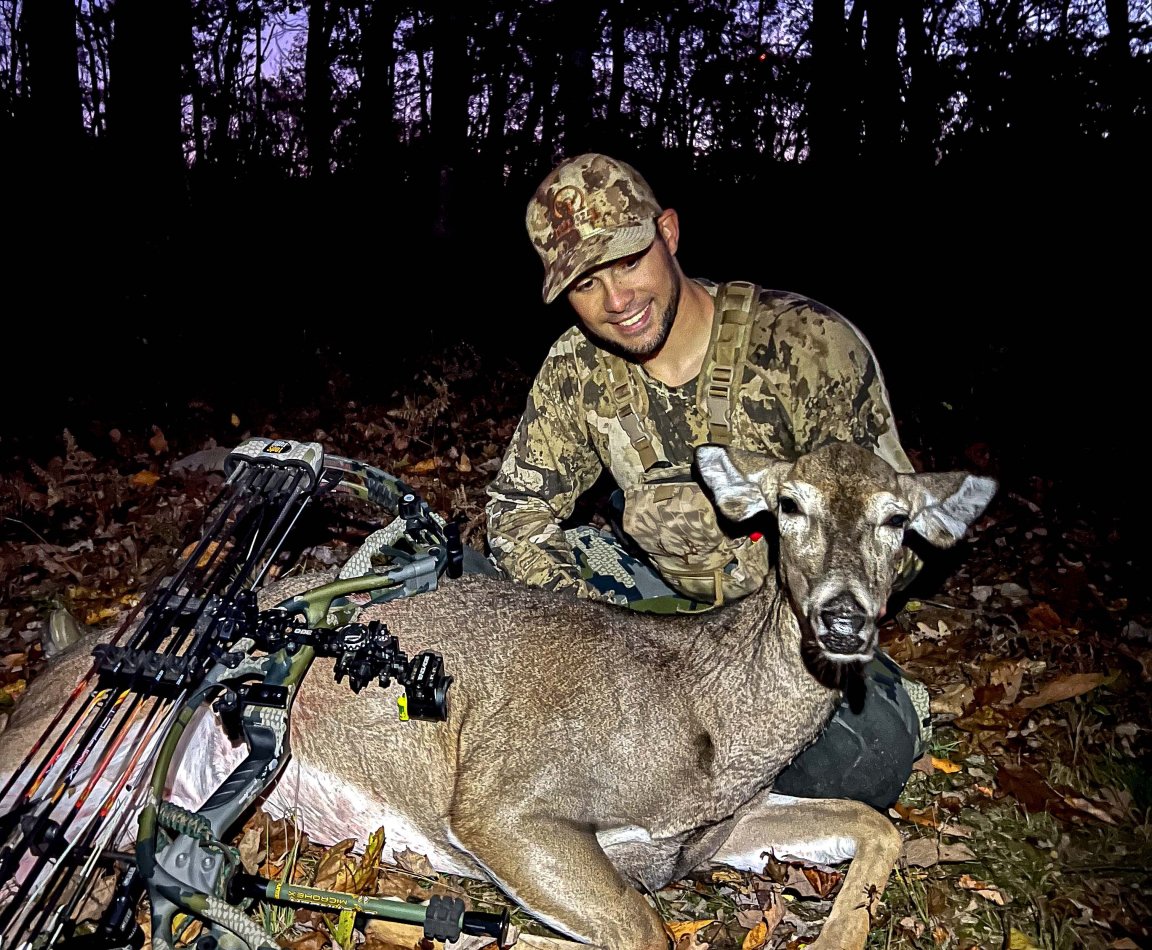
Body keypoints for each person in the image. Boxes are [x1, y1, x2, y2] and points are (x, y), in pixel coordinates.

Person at [482, 152, 929, 811]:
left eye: (629, 262)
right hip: (646, 606)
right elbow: (518, 509)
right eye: (584, 285)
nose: (617, 302)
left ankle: (660, 767)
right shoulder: (578, 370)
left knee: (867, 757)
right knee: (466, 595)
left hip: (775, 630)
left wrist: (862, 576)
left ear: (668, 233)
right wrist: (592, 641)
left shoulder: (805, 346)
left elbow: (901, 522)